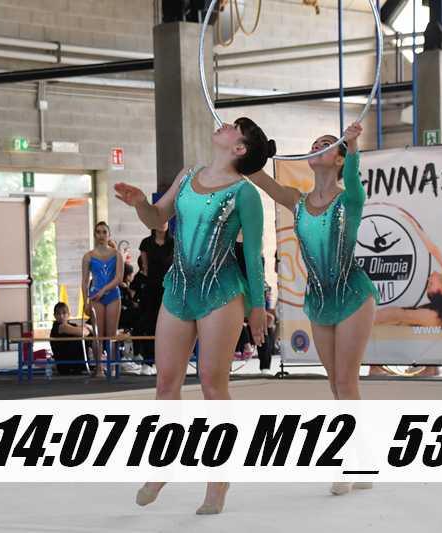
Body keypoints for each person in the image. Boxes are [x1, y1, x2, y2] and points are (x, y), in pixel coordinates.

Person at [115, 117, 274, 515]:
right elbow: (157, 219)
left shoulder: (245, 193)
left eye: (233, 127)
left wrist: (258, 307)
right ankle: (163, 464)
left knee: (212, 386)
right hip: (178, 290)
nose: (223, 124)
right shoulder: (188, 176)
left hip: (221, 292)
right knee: (165, 384)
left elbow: (253, 253)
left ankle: (218, 477)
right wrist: (140, 202)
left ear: (239, 149)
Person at [248, 122, 377, 495]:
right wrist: (250, 151)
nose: (318, 146)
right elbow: (261, 180)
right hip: (319, 299)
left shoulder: (349, 199)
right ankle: (363, 456)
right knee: (336, 385)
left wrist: (353, 145)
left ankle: (348, 463)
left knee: (346, 383)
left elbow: (353, 180)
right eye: (315, 142)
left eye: (327, 144)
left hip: (353, 295)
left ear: (338, 159)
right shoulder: (297, 201)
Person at [82, 221, 124, 378]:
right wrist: (86, 301)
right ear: (94, 235)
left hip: (112, 296)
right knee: (98, 334)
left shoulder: (117, 255)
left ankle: (112, 367)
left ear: (109, 234)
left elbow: (119, 278)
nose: (101, 235)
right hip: (95, 297)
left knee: (111, 334)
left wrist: (104, 290)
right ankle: (99, 368)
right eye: (98, 232)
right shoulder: (88, 256)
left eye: (104, 232)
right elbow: (84, 281)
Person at [135, 227, 174, 371]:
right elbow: (144, 268)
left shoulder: (174, 242)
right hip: (151, 288)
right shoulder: (146, 243)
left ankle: (168, 361)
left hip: (168, 288)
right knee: (150, 325)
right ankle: (148, 361)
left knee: (169, 325)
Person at [50, 302, 92, 375]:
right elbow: (83, 332)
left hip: (74, 363)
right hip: (66, 366)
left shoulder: (71, 325)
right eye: (58, 314)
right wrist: (88, 327)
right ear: (55, 316)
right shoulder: (60, 327)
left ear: (68, 315)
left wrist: (87, 327)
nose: (61, 316)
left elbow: (83, 330)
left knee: (90, 336)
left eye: (64, 313)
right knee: (87, 335)